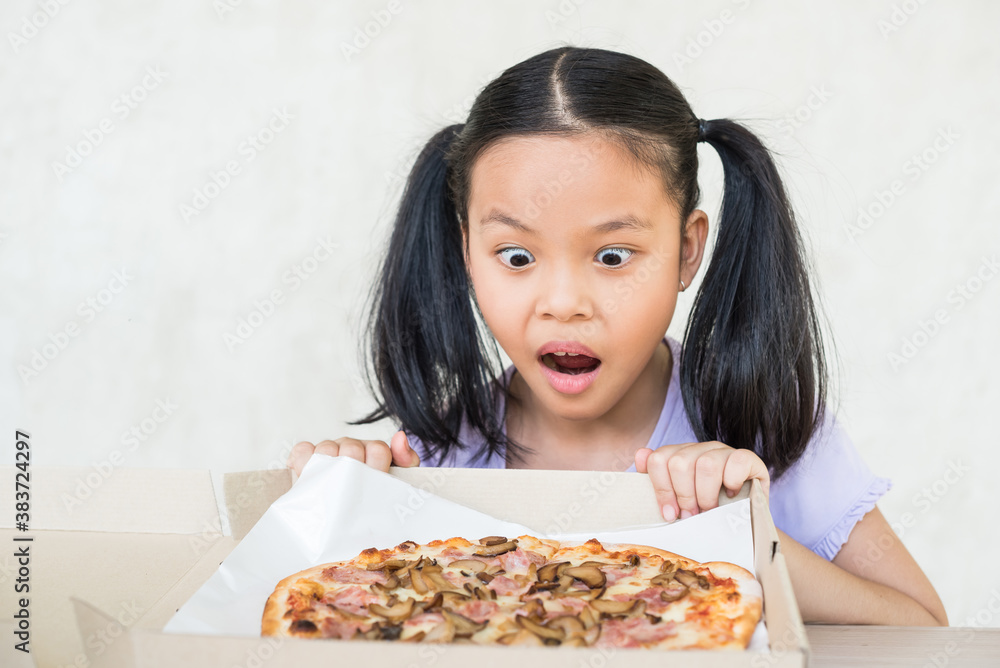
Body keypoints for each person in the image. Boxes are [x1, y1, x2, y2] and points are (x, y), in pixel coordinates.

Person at [287, 46, 947, 626]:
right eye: (516, 257)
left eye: (613, 256)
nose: (565, 304)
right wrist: (336, 506)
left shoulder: (771, 427)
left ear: (688, 251)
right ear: (466, 253)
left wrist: (748, 534)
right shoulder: (429, 460)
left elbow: (923, 626)